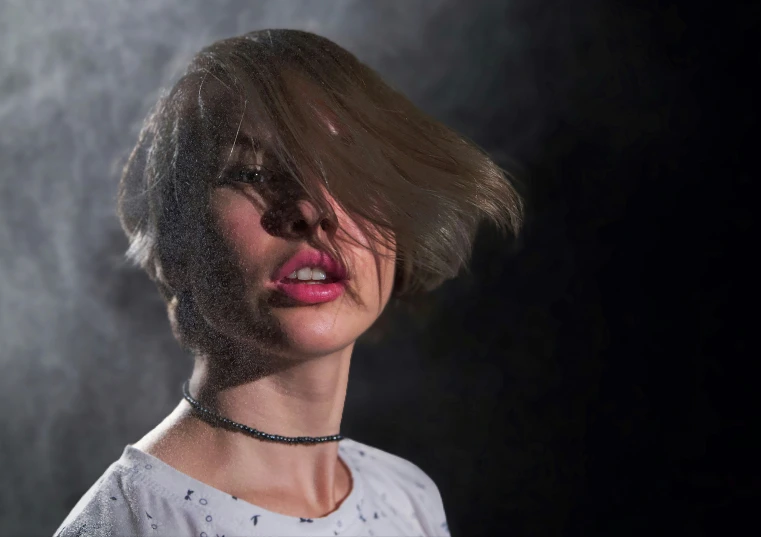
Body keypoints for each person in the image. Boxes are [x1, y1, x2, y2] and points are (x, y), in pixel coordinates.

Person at [54, 28, 523, 537]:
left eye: (350, 168)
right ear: (178, 236)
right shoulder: (130, 522)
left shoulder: (407, 498)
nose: (310, 207)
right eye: (252, 174)